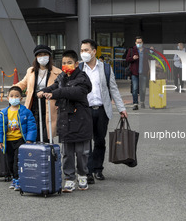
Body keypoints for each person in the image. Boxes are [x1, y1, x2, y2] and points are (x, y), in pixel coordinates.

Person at [38, 50, 93, 193]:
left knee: (81, 152)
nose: (66, 65)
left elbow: (71, 92)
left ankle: (82, 175)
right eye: (63, 63)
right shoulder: (62, 76)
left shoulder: (82, 78)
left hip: (80, 121)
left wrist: (54, 94)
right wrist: (44, 90)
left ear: (76, 64)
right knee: (67, 153)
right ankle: (69, 178)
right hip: (65, 120)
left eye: (69, 63)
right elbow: (55, 86)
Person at [80, 39, 128, 183]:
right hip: (85, 110)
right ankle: (87, 172)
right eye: (82, 50)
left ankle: (98, 169)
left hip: (101, 110)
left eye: (86, 50)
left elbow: (113, 89)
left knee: (100, 141)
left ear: (94, 51)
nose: (84, 53)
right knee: (86, 142)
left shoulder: (106, 68)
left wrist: (122, 108)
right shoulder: (79, 68)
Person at [0, 86, 37, 191]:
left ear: (21, 98)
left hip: (20, 141)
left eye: (17, 96)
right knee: (10, 161)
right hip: (8, 141)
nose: (14, 98)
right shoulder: (3, 113)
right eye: (12, 96)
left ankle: (18, 179)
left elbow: (32, 127)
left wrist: (29, 140)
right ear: (8, 98)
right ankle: (14, 178)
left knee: (18, 161)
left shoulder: (26, 112)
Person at [16, 45, 62, 143]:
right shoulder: (31, 71)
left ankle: (49, 155)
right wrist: (13, 90)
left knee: (47, 136)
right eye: (40, 55)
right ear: (36, 57)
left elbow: (61, 89)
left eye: (45, 54)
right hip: (33, 105)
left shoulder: (58, 72)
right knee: (33, 133)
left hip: (49, 105)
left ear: (49, 56)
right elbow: (23, 84)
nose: (42, 57)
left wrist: (60, 101)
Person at [126, 36, 152, 110]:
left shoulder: (146, 50)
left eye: (140, 42)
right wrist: (132, 58)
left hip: (143, 73)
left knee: (143, 89)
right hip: (134, 73)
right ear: (135, 43)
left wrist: (153, 52)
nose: (139, 43)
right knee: (134, 88)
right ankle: (135, 103)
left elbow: (152, 57)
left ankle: (142, 102)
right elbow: (127, 59)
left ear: (142, 43)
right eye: (137, 42)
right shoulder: (132, 50)